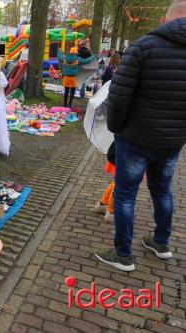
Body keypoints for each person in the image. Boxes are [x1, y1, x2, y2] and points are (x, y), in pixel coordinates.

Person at [95, 0, 186, 272]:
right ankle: (161, 242)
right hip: (172, 141)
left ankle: (123, 254)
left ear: (164, 20)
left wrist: (116, 128)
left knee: (125, 195)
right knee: (162, 190)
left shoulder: (143, 47)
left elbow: (118, 96)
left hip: (135, 138)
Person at [95, 142, 116, 222]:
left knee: (117, 182)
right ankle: (111, 212)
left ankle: (103, 204)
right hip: (128, 157)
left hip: (119, 152)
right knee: (120, 186)